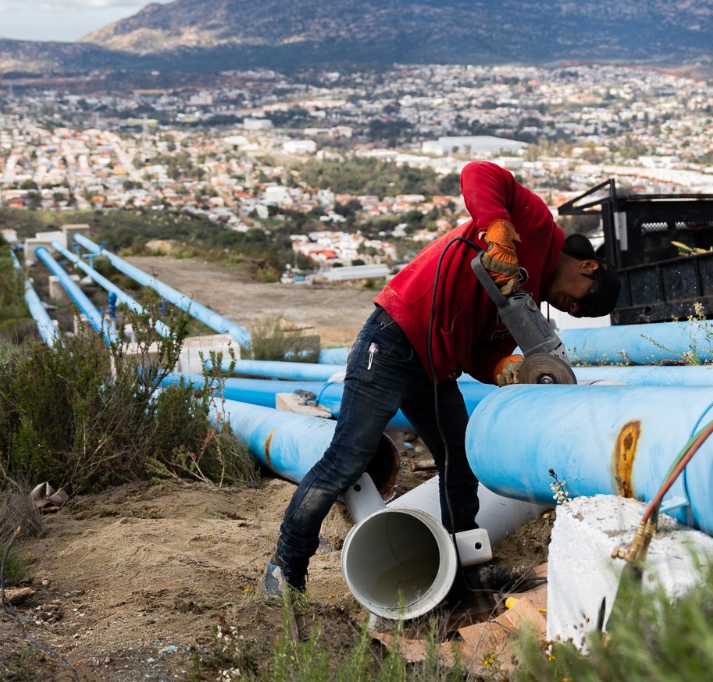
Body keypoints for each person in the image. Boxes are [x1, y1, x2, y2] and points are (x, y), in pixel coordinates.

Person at [262, 160, 620, 597]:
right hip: (393, 339)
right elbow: (479, 172)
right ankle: (286, 569)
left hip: (432, 368)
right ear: (588, 267)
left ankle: (464, 572)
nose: (571, 310)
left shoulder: (526, 302)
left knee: (459, 461)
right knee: (347, 458)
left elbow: (478, 351)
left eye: (577, 315)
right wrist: (498, 228)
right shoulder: (537, 226)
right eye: (582, 304)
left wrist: (502, 368)